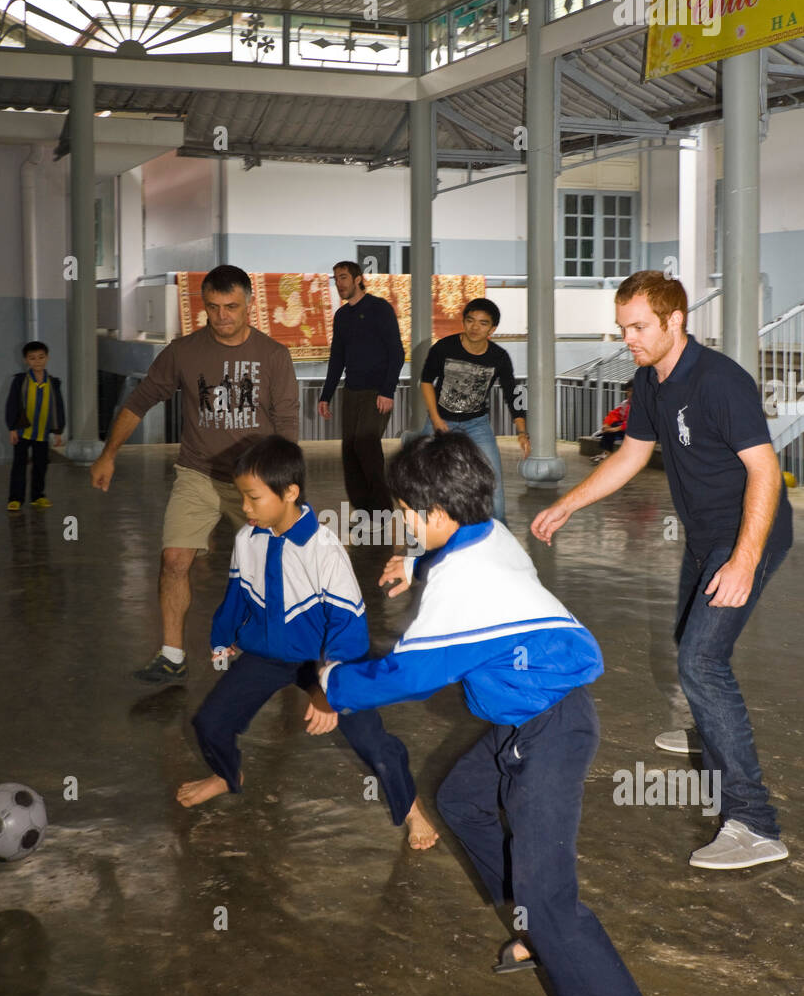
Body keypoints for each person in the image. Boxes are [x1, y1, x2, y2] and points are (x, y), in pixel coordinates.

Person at [318, 431, 676, 996]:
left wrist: (331, 684)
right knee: (459, 800)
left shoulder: (462, 584)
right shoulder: (483, 531)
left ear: (436, 512)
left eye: (405, 514)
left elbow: (407, 675)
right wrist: (409, 560)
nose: (400, 523)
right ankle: (537, 932)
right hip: (522, 717)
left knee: (545, 889)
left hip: (553, 727)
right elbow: (445, 551)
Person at [533, 270, 793, 870]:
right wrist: (568, 502)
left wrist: (744, 559)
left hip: (748, 536)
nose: (629, 338)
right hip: (704, 539)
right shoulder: (650, 380)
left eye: (639, 327)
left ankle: (755, 823)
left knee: (700, 660)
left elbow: (763, 472)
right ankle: (709, 732)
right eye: (623, 327)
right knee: (690, 645)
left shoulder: (720, 381)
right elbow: (630, 453)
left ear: (676, 321)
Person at [177, 435, 438, 851]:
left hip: (327, 658)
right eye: (242, 497)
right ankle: (227, 775)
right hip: (267, 653)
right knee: (210, 723)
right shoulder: (247, 539)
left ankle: (411, 807)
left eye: (253, 498)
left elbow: (348, 626)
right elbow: (238, 594)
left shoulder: (325, 550)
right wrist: (223, 637)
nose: (244, 508)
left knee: (373, 742)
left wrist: (328, 692)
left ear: (289, 493)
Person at [90, 265, 299, 684]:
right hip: (198, 473)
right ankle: (171, 654)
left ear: (249, 304)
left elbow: (287, 425)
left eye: (231, 307)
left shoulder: (274, 355)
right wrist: (108, 454)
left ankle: (280, 648)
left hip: (256, 481)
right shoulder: (183, 351)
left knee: (278, 567)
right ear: (202, 305)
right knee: (173, 559)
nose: (222, 316)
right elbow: (140, 400)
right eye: (213, 307)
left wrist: (284, 491)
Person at [419, 297, 529, 521]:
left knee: (492, 480)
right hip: (440, 419)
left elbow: (513, 393)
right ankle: (422, 531)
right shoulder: (444, 347)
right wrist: (436, 419)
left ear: (493, 328)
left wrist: (522, 431)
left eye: (483, 323)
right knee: (422, 475)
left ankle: (499, 534)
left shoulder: (499, 357)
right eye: (470, 320)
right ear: (463, 321)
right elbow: (426, 381)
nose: (475, 327)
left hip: (476, 424)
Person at [317, 261, 404, 525]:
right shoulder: (342, 316)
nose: (339, 283)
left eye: (343, 277)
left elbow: (396, 352)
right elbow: (337, 358)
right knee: (350, 449)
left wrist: (387, 391)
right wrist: (326, 395)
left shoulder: (379, 308)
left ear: (357, 279)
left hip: (377, 391)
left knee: (366, 445)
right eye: (335, 279)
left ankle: (382, 510)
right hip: (351, 391)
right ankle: (364, 510)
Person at [5, 341, 65, 511]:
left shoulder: (53, 383)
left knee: (41, 465)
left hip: (42, 434)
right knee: (19, 465)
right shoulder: (20, 381)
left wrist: (58, 431)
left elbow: (58, 407)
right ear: (26, 360)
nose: (37, 361)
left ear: (47, 358)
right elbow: (12, 405)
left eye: (41, 357)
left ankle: (38, 496)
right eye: (32, 358)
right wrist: (12, 428)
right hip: (23, 432)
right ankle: (15, 498)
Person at [591, 380, 633, 464]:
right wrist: (607, 425)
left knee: (614, 429)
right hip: (625, 429)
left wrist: (616, 429)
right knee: (609, 429)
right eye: (628, 391)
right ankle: (606, 453)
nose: (630, 393)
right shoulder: (625, 404)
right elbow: (614, 414)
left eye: (633, 391)